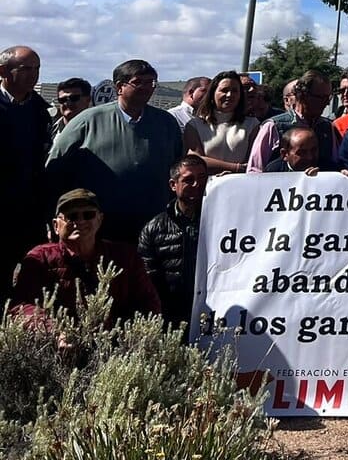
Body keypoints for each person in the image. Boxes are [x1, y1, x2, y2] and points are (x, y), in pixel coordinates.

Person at [47, 59, 186, 243]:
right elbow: (54, 170)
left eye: (151, 82)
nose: (146, 88)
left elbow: (177, 168)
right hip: (98, 227)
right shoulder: (88, 121)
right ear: (120, 87)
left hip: (152, 226)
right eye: (138, 82)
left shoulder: (166, 123)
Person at [10, 188, 160, 327]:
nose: (80, 221)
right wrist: (54, 331)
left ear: (100, 219)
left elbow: (149, 303)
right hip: (57, 343)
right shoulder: (40, 258)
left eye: (88, 215)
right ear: (56, 226)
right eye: (71, 216)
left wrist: (122, 332)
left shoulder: (126, 257)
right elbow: (21, 306)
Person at [137, 155, 208, 327]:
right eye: (189, 180)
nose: (197, 184)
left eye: (202, 178)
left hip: (213, 312)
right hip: (172, 318)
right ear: (173, 185)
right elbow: (148, 279)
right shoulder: (154, 229)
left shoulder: (222, 220)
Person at [0, 45, 51, 283]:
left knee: (35, 278)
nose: (34, 75)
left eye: (37, 68)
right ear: (3, 71)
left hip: (29, 211)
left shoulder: (40, 110)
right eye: (26, 69)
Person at [246, 70, 340, 173]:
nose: (326, 103)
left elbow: (335, 167)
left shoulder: (327, 127)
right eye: (320, 97)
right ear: (303, 95)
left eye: (328, 98)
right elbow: (255, 171)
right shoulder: (274, 127)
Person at [183, 71, 262, 174]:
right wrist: (236, 167)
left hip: (241, 182)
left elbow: (254, 161)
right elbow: (195, 161)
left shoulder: (252, 124)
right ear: (213, 93)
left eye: (235, 91)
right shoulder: (194, 125)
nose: (229, 95)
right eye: (224, 90)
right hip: (208, 183)